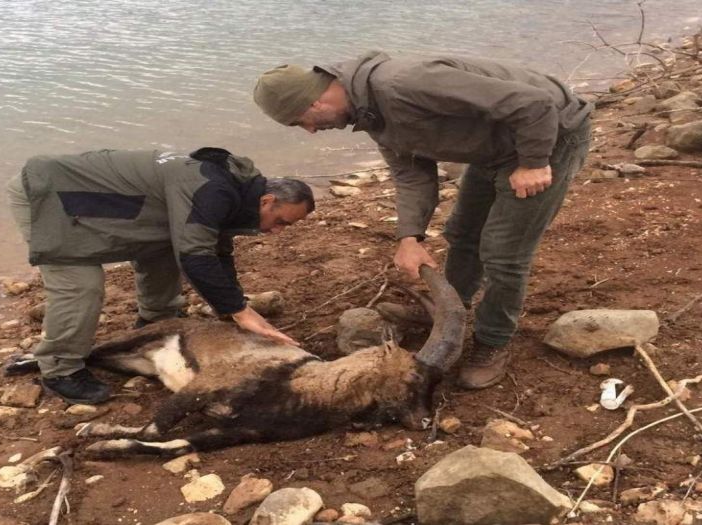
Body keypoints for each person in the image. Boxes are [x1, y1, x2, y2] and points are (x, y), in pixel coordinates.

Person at [254, 51, 592, 389]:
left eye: (301, 122)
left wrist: (533, 162)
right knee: (462, 234)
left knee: (504, 252)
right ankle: (450, 311)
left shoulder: (403, 83)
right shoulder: (370, 112)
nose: (311, 131)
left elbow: (534, 103)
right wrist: (409, 238)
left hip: (549, 134)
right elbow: (412, 175)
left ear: (312, 103)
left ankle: (492, 340)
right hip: (495, 147)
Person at [7, 147, 314, 404]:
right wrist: (239, 312)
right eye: (281, 222)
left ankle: (157, 320)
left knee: (165, 245)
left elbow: (217, 251)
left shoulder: (235, 193)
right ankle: (60, 367)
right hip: (51, 195)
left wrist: (233, 307)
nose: (276, 232)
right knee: (81, 286)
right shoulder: (213, 190)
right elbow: (197, 256)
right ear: (267, 201)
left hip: (106, 202)